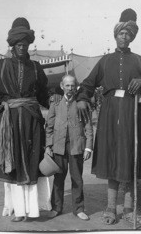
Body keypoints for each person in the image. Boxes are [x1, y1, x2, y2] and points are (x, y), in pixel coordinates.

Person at [76, 8, 141, 225]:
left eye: (128, 34)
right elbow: (88, 83)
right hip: (111, 114)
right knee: (112, 157)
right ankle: (111, 208)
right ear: (116, 35)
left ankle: (129, 208)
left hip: (133, 114)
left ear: (132, 38)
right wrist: (82, 98)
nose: (125, 37)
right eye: (122, 33)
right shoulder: (105, 61)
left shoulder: (140, 61)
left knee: (130, 157)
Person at [0, 17, 49, 222]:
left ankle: (34, 210)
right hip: (10, 122)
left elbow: (45, 96)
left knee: (31, 163)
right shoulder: (0, 67)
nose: (22, 47)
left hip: (32, 122)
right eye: (18, 44)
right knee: (14, 166)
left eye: (25, 44)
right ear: (12, 45)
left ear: (29, 44)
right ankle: (19, 210)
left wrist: (54, 106)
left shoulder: (36, 68)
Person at [45, 74, 93, 221]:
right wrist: (48, 145)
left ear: (76, 87)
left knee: (77, 179)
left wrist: (88, 148)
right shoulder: (55, 103)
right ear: (62, 86)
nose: (70, 88)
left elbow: (88, 127)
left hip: (76, 146)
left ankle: (78, 209)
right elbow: (49, 126)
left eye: (72, 85)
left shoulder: (81, 104)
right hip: (59, 147)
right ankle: (56, 208)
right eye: (67, 85)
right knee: (58, 178)